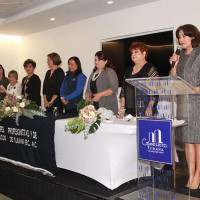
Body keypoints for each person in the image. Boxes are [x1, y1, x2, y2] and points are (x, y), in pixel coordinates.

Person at [170, 24, 200, 192]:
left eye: (183, 36)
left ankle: (198, 175)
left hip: (197, 103)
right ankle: (191, 173)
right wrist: (173, 65)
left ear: (192, 36)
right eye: (179, 37)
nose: (180, 40)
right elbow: (174, 81)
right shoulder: (180, 55)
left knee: (198, 142)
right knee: (188, 141)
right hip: (183, 103)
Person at [118, 42, 159, 117]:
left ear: (144, 53)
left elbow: (155, 91)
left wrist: (150, 107)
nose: (133, 54)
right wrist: (122, 107)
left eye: (136, 52)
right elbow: (123, 91)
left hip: (145, 110)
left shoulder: (150, 69)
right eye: (132, 52)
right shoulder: (128, 70)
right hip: (129, 111)